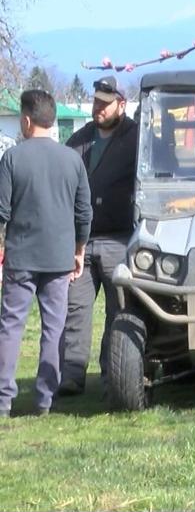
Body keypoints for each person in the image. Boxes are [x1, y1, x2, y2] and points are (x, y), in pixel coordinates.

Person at [0, 89, 91, 418]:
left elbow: (1, 212)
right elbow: (84, 212)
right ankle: (43, 400)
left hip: (21, 257)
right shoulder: (73, 159)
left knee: (11, 326)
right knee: (54, 329)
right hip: (59, 257)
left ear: (25, 120)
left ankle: (3, 399)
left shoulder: (12, 159)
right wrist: (79, 250)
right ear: (51, 120)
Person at [58, 75, 138, 397]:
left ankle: (111, 375)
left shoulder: (136, 139)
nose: (98, 108)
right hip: (82, 241)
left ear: (122, 104)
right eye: (95, 102)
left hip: (120, 238)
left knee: (117, 313)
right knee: (75, 309)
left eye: (105, 103)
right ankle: (72, 375)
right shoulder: (79, 140)